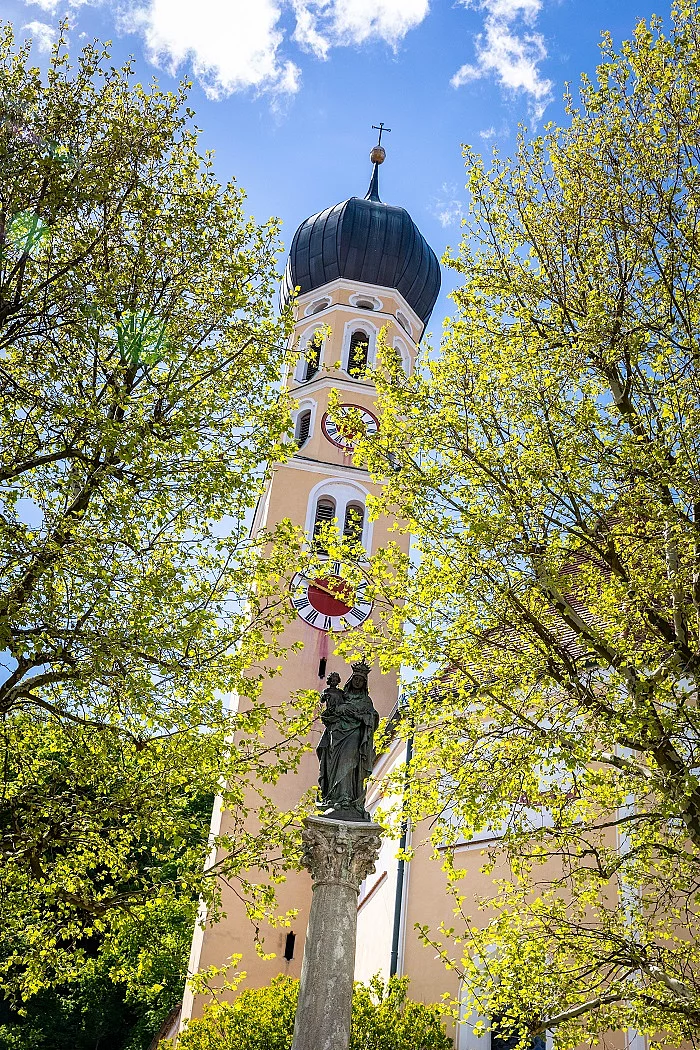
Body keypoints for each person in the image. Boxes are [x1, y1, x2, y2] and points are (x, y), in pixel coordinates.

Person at [316, 661, 379, 821]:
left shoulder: (367, 701)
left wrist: (358, 716)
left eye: (361, 680)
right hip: (336, 738)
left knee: (349, 765)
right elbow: (329, 713)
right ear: (351, 679)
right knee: (333, 768)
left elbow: (372, 718)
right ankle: (334, 798)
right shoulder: (342, 696)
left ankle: (347, 798)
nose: (358, 682)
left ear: (365, 683)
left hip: (353, 738)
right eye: (356, 678)